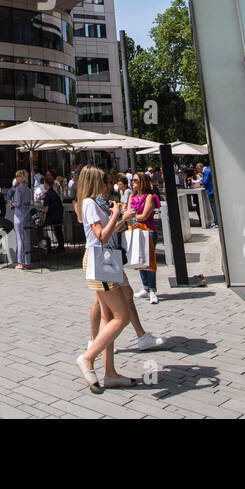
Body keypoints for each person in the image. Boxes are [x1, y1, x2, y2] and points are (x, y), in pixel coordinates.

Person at [74, 166, 139, 393]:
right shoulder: (90, 204)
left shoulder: (96, 203)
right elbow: (100, 236)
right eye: (105, 181)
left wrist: (121, 220)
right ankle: (88, 357)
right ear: (94, 182)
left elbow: (106, 233)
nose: (109, 185)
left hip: (106, 260)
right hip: (99, 261)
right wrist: (115, 215)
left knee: (108, 315)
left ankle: (109, 372)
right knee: (122, 317)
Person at [128, 173, 160, 303]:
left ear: (142, 182)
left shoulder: (149, 197)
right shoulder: (132, 196)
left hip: (148, 230)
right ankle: (145, 287)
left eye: (135, 180)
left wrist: (131, 216)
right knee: (140, 260)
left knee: (149, 260)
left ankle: (152, 290)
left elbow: (145, 215)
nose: (133, 182)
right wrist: (131, 216)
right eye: (133, 180)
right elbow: (128, 211)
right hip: (135, 230)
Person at [9, 171, 34, 270]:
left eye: (18, 176)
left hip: (19, 215)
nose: (16, 178)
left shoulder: (19, 189)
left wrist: (13, 205)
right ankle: (28, 261)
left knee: (19, 238)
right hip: (26, 214)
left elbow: (18, 203)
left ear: (22, 177)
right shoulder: (27, 189)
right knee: (27, 238)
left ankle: (20, 261)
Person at [200, 161, 218, 229]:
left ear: (200, 168)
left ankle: (216, 222)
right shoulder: (208, 170)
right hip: (212, 190)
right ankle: (216, 221)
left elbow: (205, 181)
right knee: (214, 207)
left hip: (211, 191)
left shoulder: (206, 171)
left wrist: (201, 180)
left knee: (213, 207)